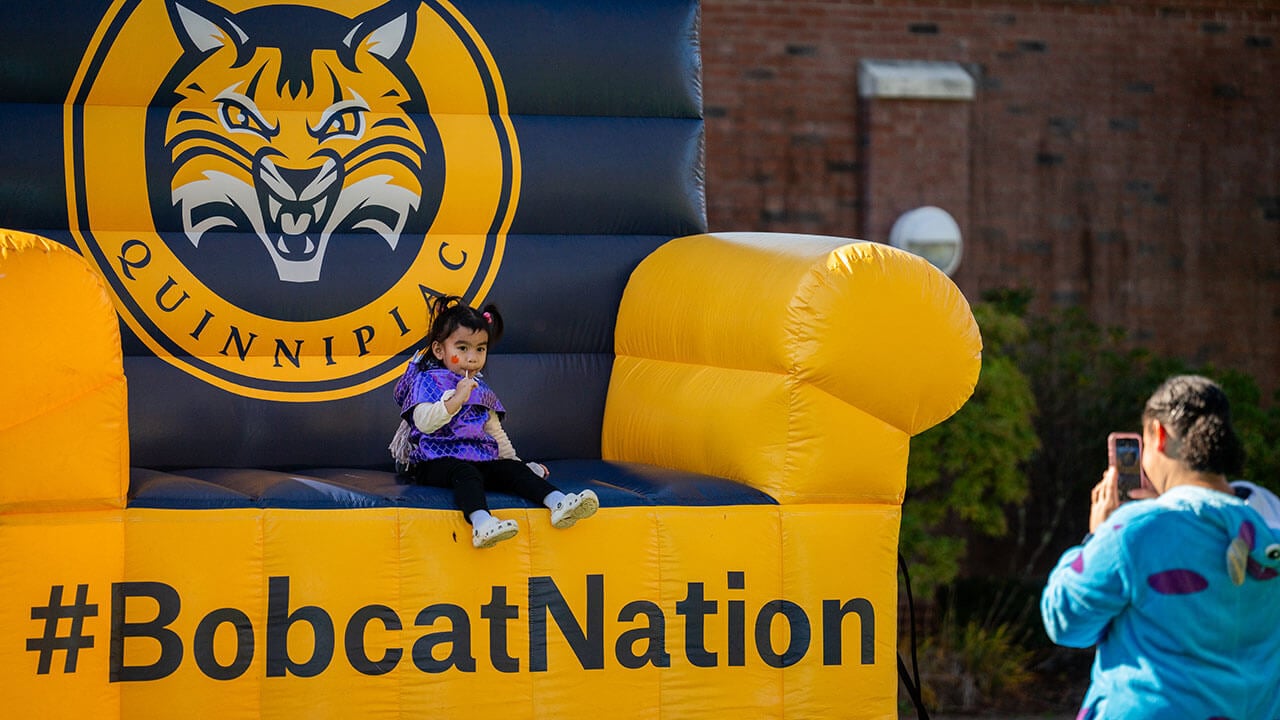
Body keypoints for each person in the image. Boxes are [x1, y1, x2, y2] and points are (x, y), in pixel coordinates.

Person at [1041, 375, 1280, 719]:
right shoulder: (1267, 538)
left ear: (1159, 434)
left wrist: (1100, 535)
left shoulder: (1133, 530)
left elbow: (1066, 620)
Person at [389, 295, 598, 548]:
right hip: (434, 460)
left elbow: (495, 433)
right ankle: (481, 523)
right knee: (464, 472)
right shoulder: (428, 381)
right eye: (462, 348)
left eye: (480, 349)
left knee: (510, 469)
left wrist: (516, 464)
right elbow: (423, 423)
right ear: (439, 350)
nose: (472, 357)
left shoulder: (480, 388)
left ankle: (558, 503)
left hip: (478, 459)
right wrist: (455, 401)